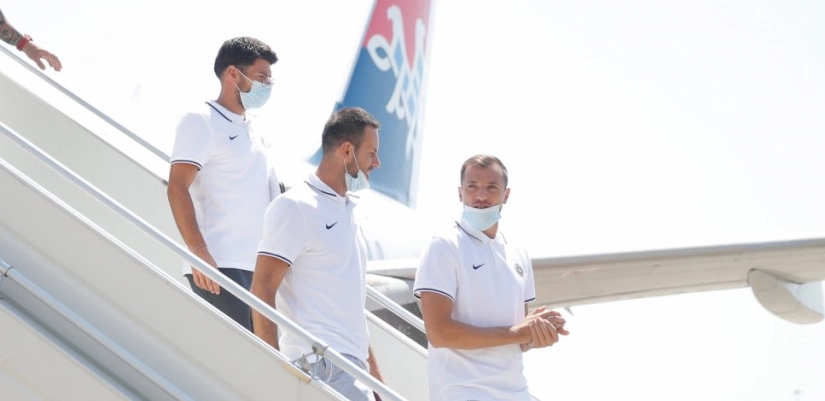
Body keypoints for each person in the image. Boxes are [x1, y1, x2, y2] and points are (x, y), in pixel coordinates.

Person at [251, 107, 384, 401]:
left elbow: (351, 313)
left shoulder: (349, 212)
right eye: (372, 153)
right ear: (347, 151)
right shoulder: (295, 206)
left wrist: (377, 385)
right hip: (321, 366)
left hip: (352, 370)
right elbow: (262, 289)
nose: (377, 162)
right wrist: (272, 366)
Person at [413, 154, 570, 401]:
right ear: (460, 193)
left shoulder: (518, 253)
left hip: (516, 393)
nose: (481, 196)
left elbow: (519, 340)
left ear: (506, 195)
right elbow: (439, 333)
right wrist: (519, 333)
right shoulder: (443, 245)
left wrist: (538, 332)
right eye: (472, 186)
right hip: (463, 393)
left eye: (491, 187)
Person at [167, 37, 280, 331]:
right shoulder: (201, 121)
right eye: (261, 77)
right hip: (219, 266)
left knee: (261, 356)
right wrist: (198, 252)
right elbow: (177, 186)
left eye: (269, 79)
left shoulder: (255, 131)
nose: (267, 85)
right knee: (239, 354)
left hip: (257, 271)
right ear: (233, 74)